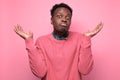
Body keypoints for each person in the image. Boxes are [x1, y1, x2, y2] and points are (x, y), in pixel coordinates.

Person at [14, 3, 103, 80]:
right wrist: (29, 42)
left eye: (68, 17)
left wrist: (87, 39)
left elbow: (85, 70)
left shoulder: (80, 38)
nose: (64, 19)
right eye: (59, 16)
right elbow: (40, 73)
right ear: (51, 20)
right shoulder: (41, 41)